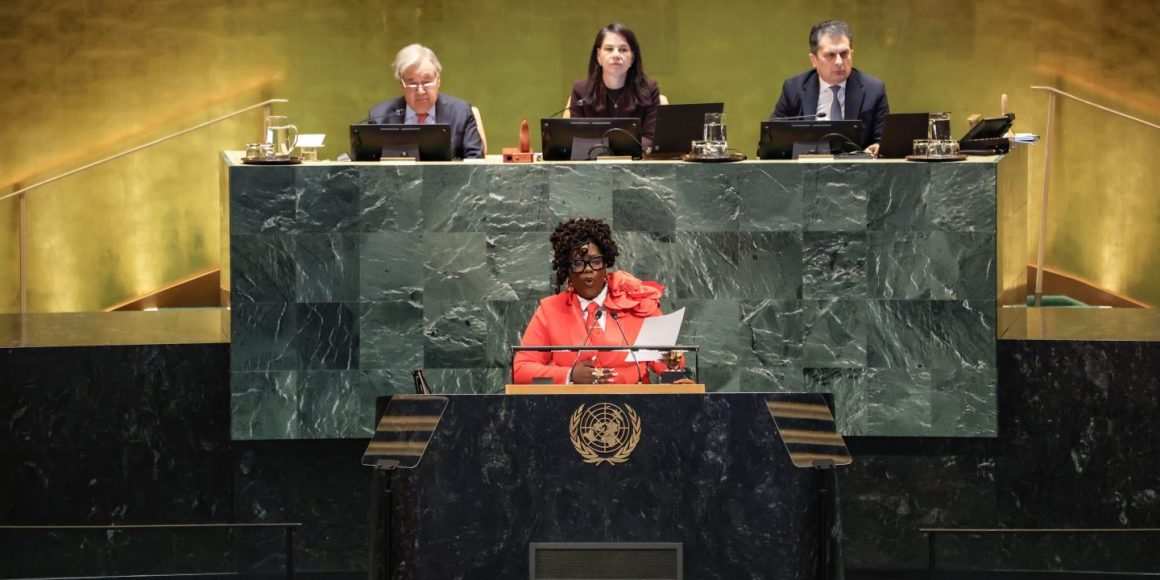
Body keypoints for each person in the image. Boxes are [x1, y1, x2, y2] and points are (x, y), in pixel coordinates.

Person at [513, 218, 682, 385]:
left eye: (596, 261)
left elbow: (667, 365)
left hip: (634, 401)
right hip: (572, 402)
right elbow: (520, 371)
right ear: (567, 270)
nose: (588, 269)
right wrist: (569, 375)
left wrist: (672, 360)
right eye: (578, 263)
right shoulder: (550, 310)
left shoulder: (637, 301)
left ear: (606, 263)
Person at [770, 20, 890, 155]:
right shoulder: (793, 89)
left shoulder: (874, 90)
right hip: (807, 166)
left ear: (852, 53)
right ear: (814, 60)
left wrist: (877, 147)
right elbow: (773, 141)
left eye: (844, 54)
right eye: (830, 55)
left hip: (857, 167)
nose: (839, 62)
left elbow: (882, 142)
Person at [367, 44, 484, 159]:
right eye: (412, 83)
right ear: (401, 85)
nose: (420, 91)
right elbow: (368, 164)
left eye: (427, 82)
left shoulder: (461, 113)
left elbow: (475, 160)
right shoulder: (379, 117)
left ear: (438, 80)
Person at [566, 23, 662, 150]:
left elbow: (651, 138)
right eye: (609, 49)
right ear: (598, 56)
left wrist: (612, 150)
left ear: (632, 58)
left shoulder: (650, 89)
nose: (616, 55)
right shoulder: (581, 90)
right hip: (593, 160)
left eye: (623, 50)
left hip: (636, 160)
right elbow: (577, 139)